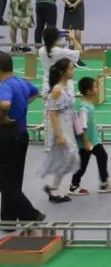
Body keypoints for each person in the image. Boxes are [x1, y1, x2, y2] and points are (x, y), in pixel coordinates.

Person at [0, 51, 46, 222]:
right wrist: (23, 104)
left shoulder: (4, 86)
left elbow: (5, 104)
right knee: (14, 178)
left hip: (6, 136)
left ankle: (31, 214)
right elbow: (35, 92)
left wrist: (2, 117)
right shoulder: (21, 82)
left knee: (5, 180)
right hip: (22, 134)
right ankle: (9, 218)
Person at [68, 76, 111, 196]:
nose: (97, 89)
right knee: (82, 166)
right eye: (95, 87)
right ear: (88, 91)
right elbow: (83, 126)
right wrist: (86, 142)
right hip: (86, 142)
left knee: (102, 156)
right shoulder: (84, 108)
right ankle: (74, 186)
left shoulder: (89, 104)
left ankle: (104, 183)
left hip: (93, 140)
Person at [38, 58, 79, 203]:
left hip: (68, 126)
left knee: (68, 158)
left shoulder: (67, 86)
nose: (73, 71)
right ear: (63, 72)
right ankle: (53, 190)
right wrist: (60, 136)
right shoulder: (57, 90)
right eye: (71, 69)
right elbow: (53, 114)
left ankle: (53, 188)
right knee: (68, 157)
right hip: (61, 128)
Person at [37, 27, 79, 97]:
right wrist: (73, 38)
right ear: (56, 38)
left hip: (47, 86)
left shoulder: (40, 51)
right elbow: (79, 51)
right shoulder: (62, 52)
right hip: (64, 87)